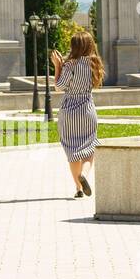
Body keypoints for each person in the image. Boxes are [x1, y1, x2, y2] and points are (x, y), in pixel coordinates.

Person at [49, 31, 104, 198]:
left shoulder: (70, 65)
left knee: (72, 150)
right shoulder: (94, 63)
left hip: (69, 112)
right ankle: (84, 175)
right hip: (87, 110)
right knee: (89, 146)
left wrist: (58, 66)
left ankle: (79, 188)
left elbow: (59, 87)